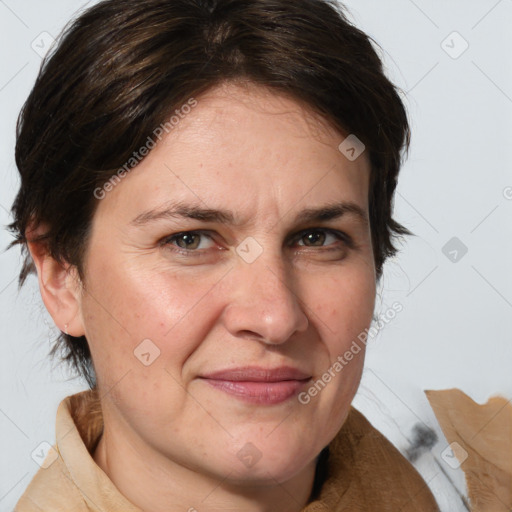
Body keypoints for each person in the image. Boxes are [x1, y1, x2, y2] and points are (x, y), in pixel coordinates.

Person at [9, 0, 440, 510]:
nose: (275, 318)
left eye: (317, 237)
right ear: (61, 275)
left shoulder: (481, 469)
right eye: (189, 240)